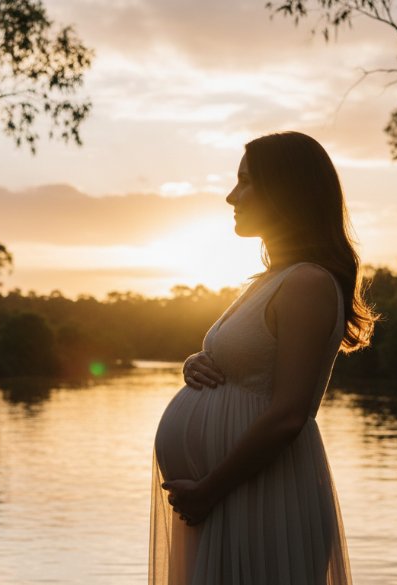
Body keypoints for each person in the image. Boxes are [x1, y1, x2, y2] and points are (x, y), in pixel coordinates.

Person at [150, 131, 377, 584]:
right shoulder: (271, 280)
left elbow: (290, 414)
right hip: (226, 500)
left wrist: (209, 490)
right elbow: (253, 362)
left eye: (245, 181)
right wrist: (197, 364)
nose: (231, 195)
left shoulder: (308, 283)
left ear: (285, 191)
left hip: (261, 498)